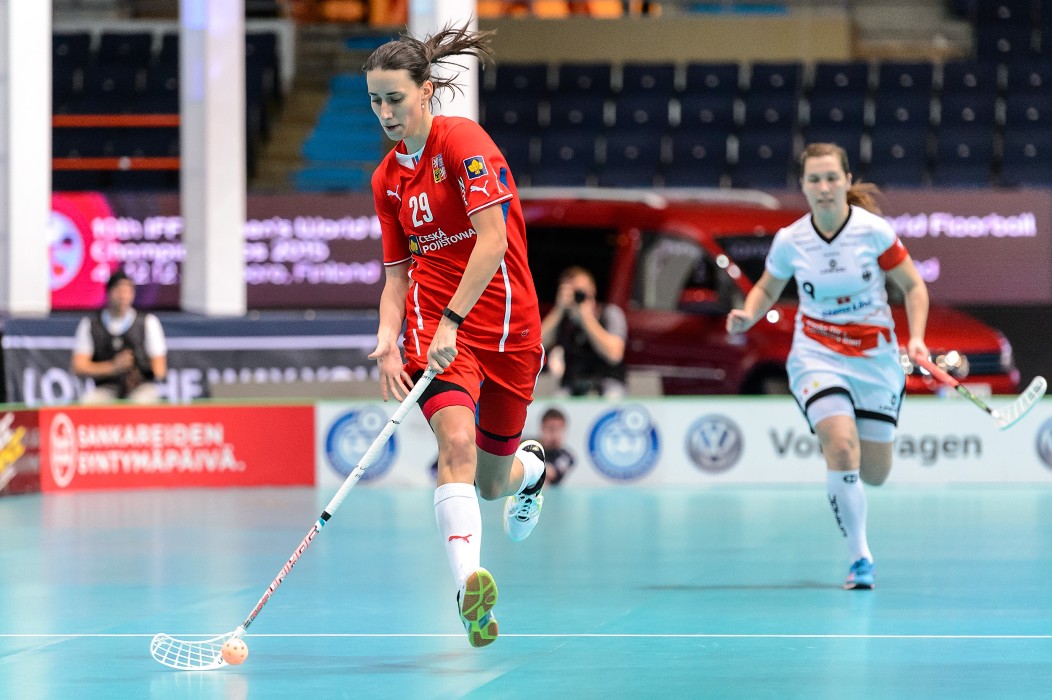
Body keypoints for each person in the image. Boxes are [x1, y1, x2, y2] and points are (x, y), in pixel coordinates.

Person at [364, 25, 547, 649]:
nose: (386, 112)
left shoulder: (463, 142)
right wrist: (388, 338)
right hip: (439, 332)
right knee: (456, 443)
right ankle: (470, 591)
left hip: (509, 327)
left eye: (395, 98)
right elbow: (396, 275)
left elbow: (492, 241)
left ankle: (531, 471)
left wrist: (454, 319)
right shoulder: (386, 181)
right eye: (375, 101)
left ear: (426, 91)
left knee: (492, 483)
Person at [725, 143, 929, 591]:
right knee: (840, 446)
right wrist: (749, 314)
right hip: (817, 354)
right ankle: (860, 558)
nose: (823, 187)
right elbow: (767, 287)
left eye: (832, 178)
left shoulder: (873, 232)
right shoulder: (791, 240)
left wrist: (915, 337)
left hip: (875, 360)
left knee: (875, 473)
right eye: (814, 179)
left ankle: (859, 514)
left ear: (846, 180)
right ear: (803, 186)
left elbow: (914, 287)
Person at [71, 269, 168, 404]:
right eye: (119, 290)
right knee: (89, 402)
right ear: (108, 292)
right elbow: (79, 366)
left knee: (142, 401)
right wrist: (113, 367)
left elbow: (160, 370)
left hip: (140, 387)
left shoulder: (148, 322)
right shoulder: (91, 324)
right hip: (107, 387)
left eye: (128, 291)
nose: (123, 296)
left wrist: (137, 369)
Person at [540, 266, 627, 398]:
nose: (576, 297)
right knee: (557, 401)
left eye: (580, 292)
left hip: (608, 383)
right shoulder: (561, 319)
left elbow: (614, 354)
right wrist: (558, 310)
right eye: (571, 292)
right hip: (571, 384)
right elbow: (537, 346)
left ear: (593, 289)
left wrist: (586, 319)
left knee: (613, 396)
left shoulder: (610, 313)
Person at [537, 407, 575, 486]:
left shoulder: (567, 456)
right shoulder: (528, 446)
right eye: (551, 429)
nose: (555, 434)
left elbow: (551, 473)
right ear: (542, 428)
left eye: (559, 429)